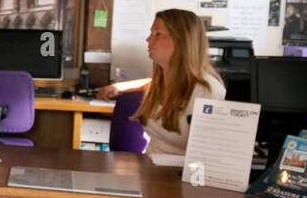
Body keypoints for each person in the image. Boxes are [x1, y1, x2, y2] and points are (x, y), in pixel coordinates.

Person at [96, 8, 225, 156]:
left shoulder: (207, 92)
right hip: (150, 170)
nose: (148, 39)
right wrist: (119, 87)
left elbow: (214, 158)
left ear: (182, 41)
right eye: (151, 33)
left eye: (158, 34)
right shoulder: (161, 81)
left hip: (178, 175)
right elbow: (150, 83)